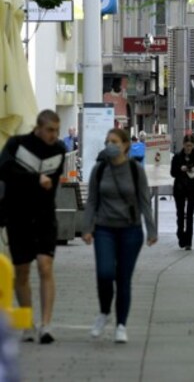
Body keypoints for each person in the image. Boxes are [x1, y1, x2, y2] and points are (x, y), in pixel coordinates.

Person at [82, 128, 157, 343]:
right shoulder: (99, 169)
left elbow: (144, 201)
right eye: (107, 141)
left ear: (125, 145)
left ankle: (121, 325)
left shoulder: (135, 170)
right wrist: (87, 228)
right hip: (104, 228)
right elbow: (92, 202)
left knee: (123, 278)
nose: (110, 145)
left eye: (114, 141)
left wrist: (151, 230)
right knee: (105, 273)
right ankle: (104, 312)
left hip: (130, 231)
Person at [0, 110, 66, 344]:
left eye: (57, 130)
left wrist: (34, 181)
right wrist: (34, 179)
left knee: (45, 265)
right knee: (22, 271)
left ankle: (46, 325)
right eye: (50, 130)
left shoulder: (59, 150)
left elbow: (51, 182)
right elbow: (4, 170)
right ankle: (27, 322)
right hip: (18, 217)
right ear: (37, 128)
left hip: (45, 216)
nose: (54, 135)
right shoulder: (16, 145)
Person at [171, 135, 194, 250]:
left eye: (190, 145)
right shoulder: (177, 157)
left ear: (193, 145)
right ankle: (180, 234)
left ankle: (188, 241)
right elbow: (172, 173)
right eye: (186, 145)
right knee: (180, 213)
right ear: (183, 145)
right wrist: (180, 169)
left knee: (189, 215)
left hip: (192, 188)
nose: (188, 148)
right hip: (180, 188)